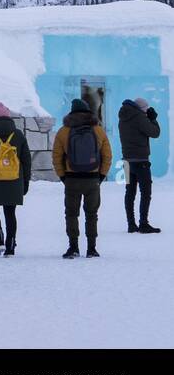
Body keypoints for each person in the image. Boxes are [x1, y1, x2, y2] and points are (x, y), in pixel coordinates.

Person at [52, 97, 113, 258]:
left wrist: (63, 176)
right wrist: (101, 175)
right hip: (92, 178)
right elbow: (107, 155)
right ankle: (92, 248)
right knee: (92, 214)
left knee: (71, 213)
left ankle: (73, 247)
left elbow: (56, 156)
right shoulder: (98, 130)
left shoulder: (64, 131)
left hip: (72, 179)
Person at [0, 101, 31, 257]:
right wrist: (25, 182)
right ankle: (10, 245)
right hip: (14, 180)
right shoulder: (18, 135)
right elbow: (26, 160)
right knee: (10, 213)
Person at [119, 97, 161, 234]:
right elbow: (155, 133)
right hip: (141, 161)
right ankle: (143, 223)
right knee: (146, 192)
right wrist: (153, 119)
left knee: (129, 192)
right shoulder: (139, 117)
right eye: (145, 109)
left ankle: (131, 224)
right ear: (141, 109)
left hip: (126, 161)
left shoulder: (123, 118)